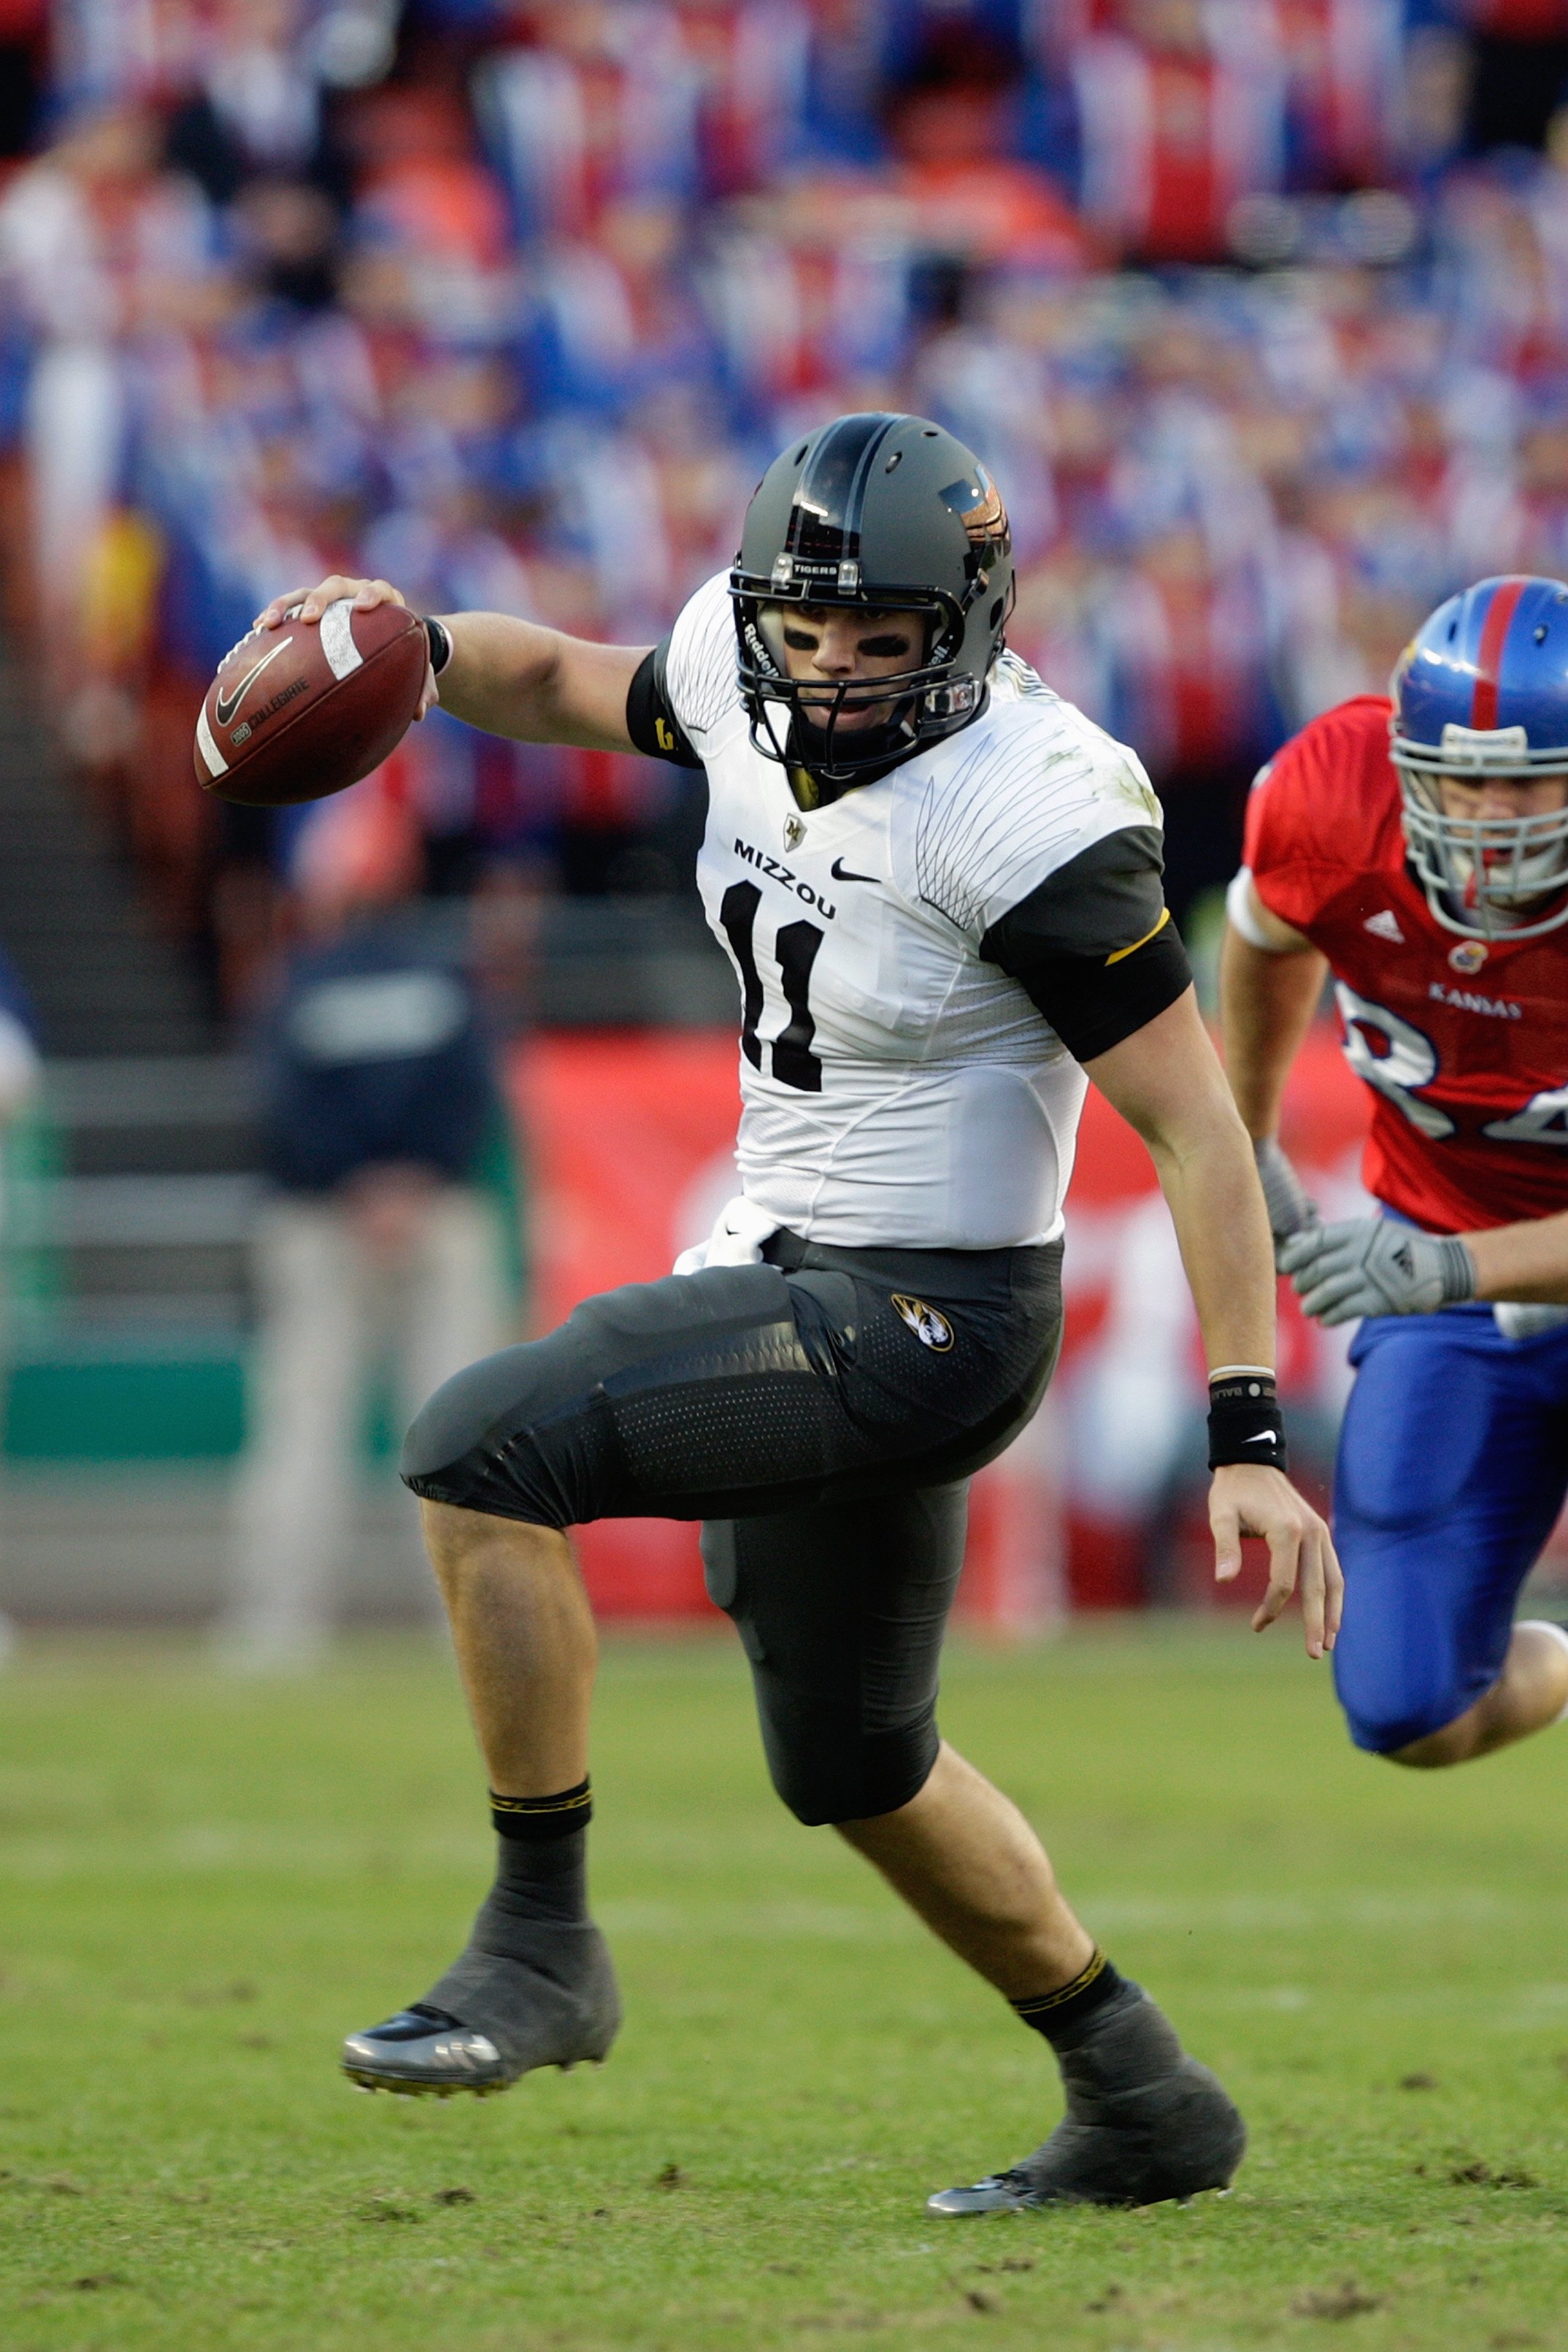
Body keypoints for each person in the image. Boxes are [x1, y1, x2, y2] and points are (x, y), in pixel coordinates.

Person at [261, 411, 1338, 2216]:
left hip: (927, 1311)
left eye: (881, 641)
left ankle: (539, 1944)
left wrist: (1244, 1429)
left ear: (969, 624)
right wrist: (426, 652)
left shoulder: (1033, 809)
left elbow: (1194, 1131)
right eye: (807, 635)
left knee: (474, 1447)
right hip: (785, 1260)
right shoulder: (739, 662)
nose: (831, 675)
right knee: (853, 1763)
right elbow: (567, 678)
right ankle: (1135, 2090)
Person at [1221, 572, 1568, 1775]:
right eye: (1460, 775)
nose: (1487, 811)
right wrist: (1245, 1129)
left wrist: (1448, 1263)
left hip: (1444, 1263)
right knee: (1403, 1705)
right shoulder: (1329, 800)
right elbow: (1265, 929)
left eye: (1525, 778)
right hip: (1451, 1292)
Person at [219, 796, 517, 1668]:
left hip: (322, 1222)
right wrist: (411, 1176)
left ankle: (278, 1626)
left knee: (304, 1426)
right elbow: (477, 1096)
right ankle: (477, 1628)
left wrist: (356, 1180)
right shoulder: (448, 974)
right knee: (460, 1433)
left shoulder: (294, 982)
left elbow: (276, 1106)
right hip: (437, 1219)